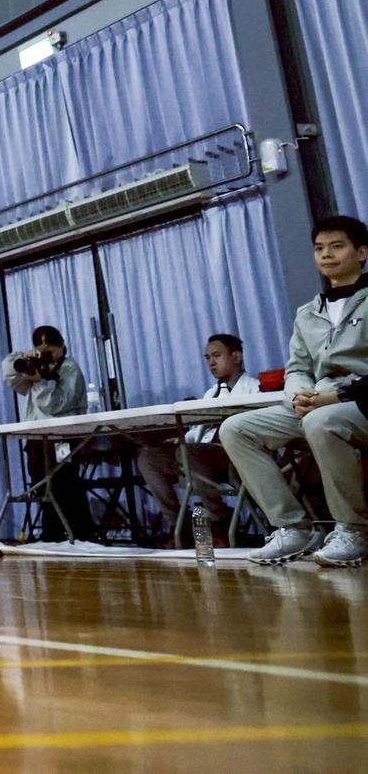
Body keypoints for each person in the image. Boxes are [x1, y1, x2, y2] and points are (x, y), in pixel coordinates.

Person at [221, 217, 368, 568]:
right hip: (319, 401)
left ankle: (353, 529)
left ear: (361, 253)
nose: (327, 255)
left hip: (357, 401)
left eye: (337, 246)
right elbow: (298, 367)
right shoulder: (308, 313)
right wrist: (298, 396)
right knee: (236, 429)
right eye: (319, 248)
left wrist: (339, 396)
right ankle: (292, 527)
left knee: (321, 421)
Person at [133, 334, 258, 547]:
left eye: (217, 355)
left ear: (236, 357)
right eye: (207, 357)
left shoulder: (254, 389)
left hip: (233, 457)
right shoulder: (210, 393)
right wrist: (182, 438)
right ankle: (177, 524)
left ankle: (219, 518)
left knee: (189, 452)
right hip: (201, 458)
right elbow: (198, 431)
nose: (211, 362)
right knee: (148, 457)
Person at [4, 325, 95, 543]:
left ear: (62, 346)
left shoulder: (70, 368)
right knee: (41, 485)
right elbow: (9, 374)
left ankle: (80, 535)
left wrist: (40, 382)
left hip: (63, 436)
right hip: (37, 436)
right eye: (40, 350)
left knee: (64, 485)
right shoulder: (37, 367)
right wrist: (23, 357)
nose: (46, 356)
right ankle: (53, 535)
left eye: (50, 351)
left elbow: (55, 405)